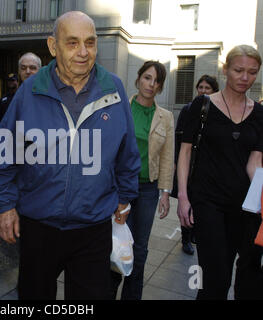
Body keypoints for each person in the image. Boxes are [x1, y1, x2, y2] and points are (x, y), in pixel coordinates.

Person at [0, 11, 140, 300]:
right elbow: (2, 157)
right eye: (72, 43)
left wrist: (125, 196)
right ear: (53, 46)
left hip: (93, 226)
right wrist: (4, 206)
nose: (83, 52)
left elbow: (128, 151)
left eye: (90, 43)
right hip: (39, 225)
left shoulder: (113, 88)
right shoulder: (30, 91)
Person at [177, 44, 263, 300]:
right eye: (238, 70)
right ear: (226, 69)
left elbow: (255, 163)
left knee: (248, 276)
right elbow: (185, 153)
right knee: (214, 277)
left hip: (246, 209)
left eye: (252, 72)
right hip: (208, 203)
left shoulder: (260, 114)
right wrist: (183, 197)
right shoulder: (201, 106)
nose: (245, 78)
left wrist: (262, 202)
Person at [110, 61, 174, 300]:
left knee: (140, 248)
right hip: (119, 188)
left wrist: (165, 192)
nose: (151, 84)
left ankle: (132, 296)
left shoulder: (165, 117)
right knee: (116, 242)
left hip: (147, 189)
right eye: (147, 78)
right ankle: (108, 290)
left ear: (160, 87)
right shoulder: (120, 107)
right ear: (138, 79)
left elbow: (167, 157)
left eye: (156, 81)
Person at [172, 75, 219, 255]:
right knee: (187, 200)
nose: (203, 91)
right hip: (190, 165)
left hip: (208, 168)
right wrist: (177, 162)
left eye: (208, 88)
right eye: (201, 87)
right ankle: (186, 238)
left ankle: (195, 233)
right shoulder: (188, 109)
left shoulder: (216, 112)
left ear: (214, 91)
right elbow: (180, 138)